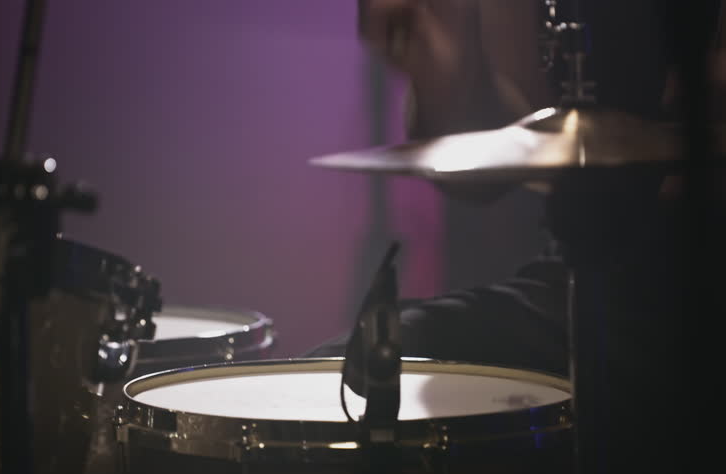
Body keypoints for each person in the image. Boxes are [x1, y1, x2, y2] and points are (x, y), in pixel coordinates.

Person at [304, 0, 724, 378]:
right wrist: (440, 63)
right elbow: (493, 172)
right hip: (592, 269)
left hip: (699, 276)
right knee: (345, 372)